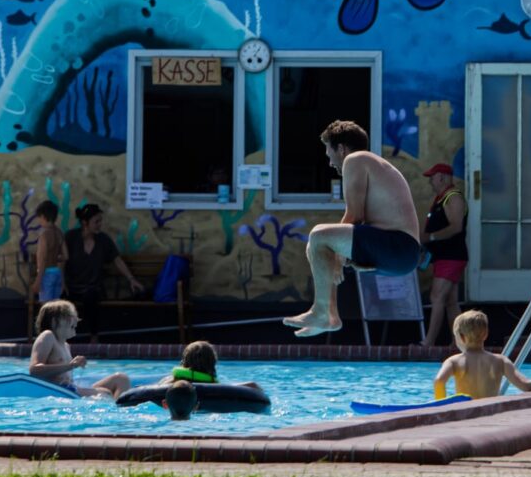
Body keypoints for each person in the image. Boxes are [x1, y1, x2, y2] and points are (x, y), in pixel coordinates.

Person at [283, 120, 420, 337]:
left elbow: (355, 216)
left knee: (319, 235)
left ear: (342, 148)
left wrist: (339, 254)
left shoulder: (355, 159)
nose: (329, 162)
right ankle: (330, 316)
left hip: (398, 246)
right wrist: (338, 255)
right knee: (315, 247)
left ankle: (320, 311)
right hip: (399, 253)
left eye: (329, 154)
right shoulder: (372, 164)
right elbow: (357, 221)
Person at [434, 310, 531, 400]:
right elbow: (526, 386)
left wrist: (440, 407)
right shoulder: (500, 361)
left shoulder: (453, 362)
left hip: (465, 413)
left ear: (461, 336)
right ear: (486, 334)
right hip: (489, 413)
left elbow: (439, 381)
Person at [64, 203, 145, 343]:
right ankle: (61, 339)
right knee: (61, 301)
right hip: (73, 287)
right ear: (85, 223)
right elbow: (61, 260)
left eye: (100, 221)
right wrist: (62, 282)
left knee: (91, 296)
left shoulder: (103, 240)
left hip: (93, 288)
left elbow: (117, 260)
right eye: (96, 221)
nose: (100, 224)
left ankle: (94, 337)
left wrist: (131, 279)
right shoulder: (71, 238)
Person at [28, 299, 131, 398]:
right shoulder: (48, 336)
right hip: (58, 391)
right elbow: (34, 370)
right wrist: (71, 365)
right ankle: (116, 410)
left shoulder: (65, 345)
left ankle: (121, 409)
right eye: (70, 316)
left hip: (70, 389)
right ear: (55, 321)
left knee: (121, 379)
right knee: (105, 393)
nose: (76, 319)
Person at [417, 163, 468, 347]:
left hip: (452, 257)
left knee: (436, 297)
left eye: (432, 177)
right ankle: (459, 343)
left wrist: (430, 236)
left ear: (443, 177)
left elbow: (456, 227)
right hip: (443, 257)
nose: (430, 181)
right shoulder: (440, 198)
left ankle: (429, 342)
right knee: (450, 302)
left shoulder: (453, 198)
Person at [160, 339, 264, 392]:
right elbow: (253, 386)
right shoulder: (215, 388)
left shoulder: (171, 383)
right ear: (212, 363)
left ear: (185, 362)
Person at [31, 200, 67, 301]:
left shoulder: (44, 235)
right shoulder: (59, 233)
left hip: (46, 275)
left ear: (42, 216)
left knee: (46, 308)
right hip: (57, 274)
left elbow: (42, 260)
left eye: (39, 218)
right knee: (55, 308)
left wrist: (38, 281)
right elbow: (66, 256)